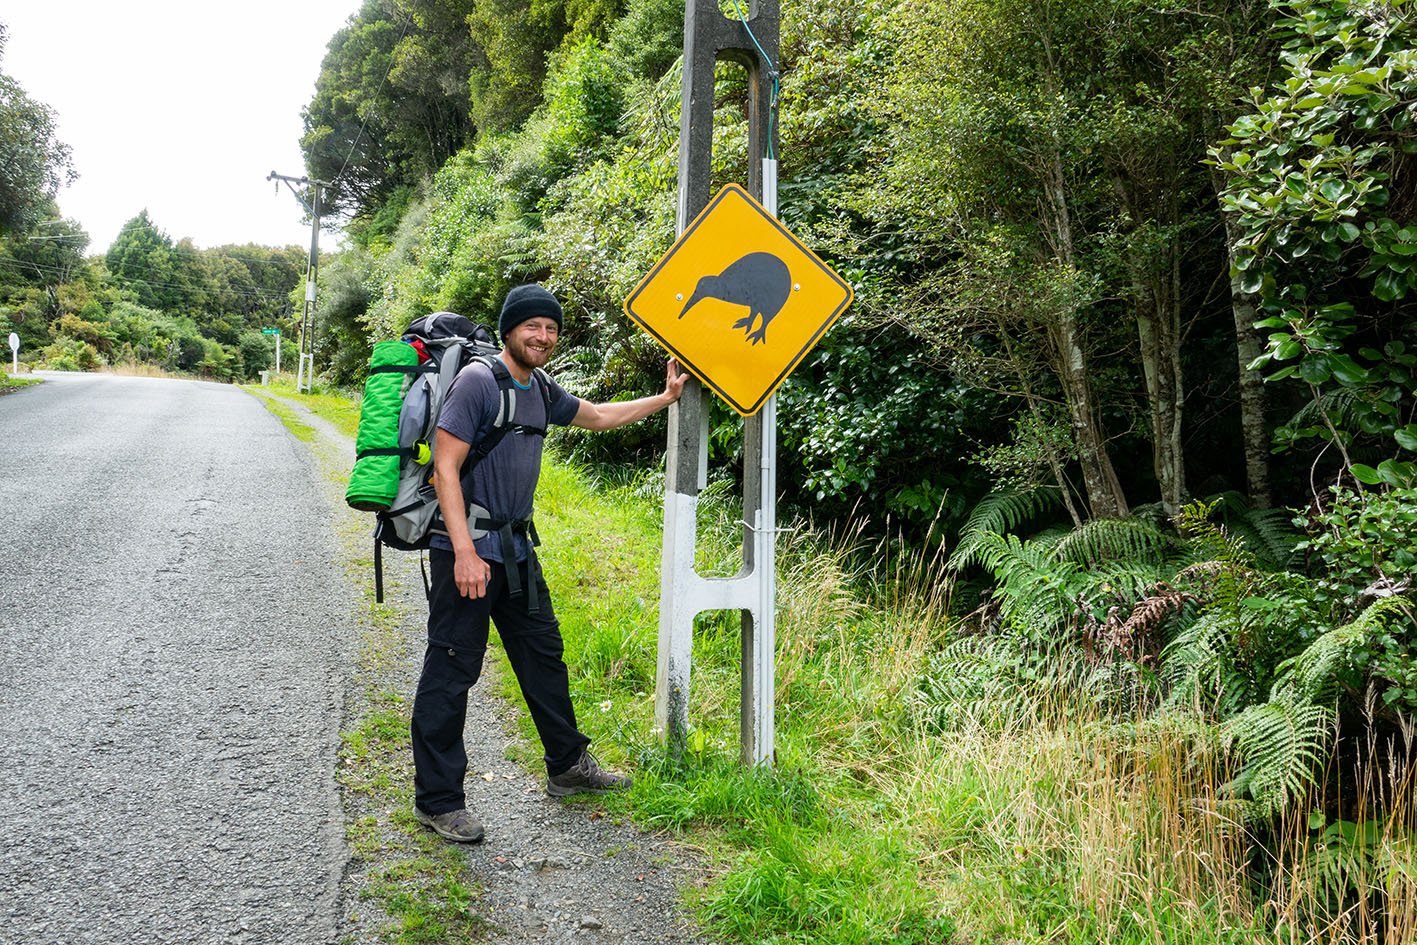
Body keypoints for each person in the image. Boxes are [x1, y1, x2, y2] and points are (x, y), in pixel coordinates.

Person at [411, 283, 689, 843]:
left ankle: (567, 765)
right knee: (452, 669)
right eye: (532, 326)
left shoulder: (538, 387)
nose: (543, 336)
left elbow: (599, 416)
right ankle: (438, 800)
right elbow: (445, 467)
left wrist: (665, 399)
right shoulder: (476, 382)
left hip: (516, 552)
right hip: (467, 552)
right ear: (510, 329)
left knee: (543, 656)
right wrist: (464, 552)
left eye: (552, 328)